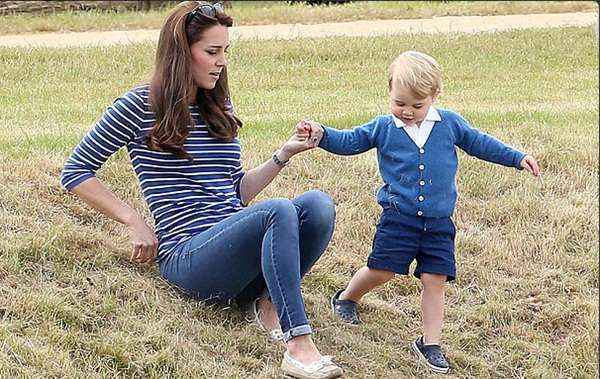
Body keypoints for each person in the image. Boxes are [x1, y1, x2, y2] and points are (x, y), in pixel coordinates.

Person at [60, 2, 343, 378]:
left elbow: (236, 192)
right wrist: (134, 221)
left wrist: (283, 154)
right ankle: (298, 346)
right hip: (187, 256)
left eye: (225, 51)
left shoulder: (218, 105)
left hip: (231, 249)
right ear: (181, 52)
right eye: (212, 52)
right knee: (278, 210)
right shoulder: (139, 105)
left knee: (317, 204)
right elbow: (75, 171)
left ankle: (265, 302)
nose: (221, 61)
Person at [297, 50, 540, 374]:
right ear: (389, 92)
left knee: (434, 278)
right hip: (399, 216)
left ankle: (430, 343)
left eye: (416, 105)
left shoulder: (450, 124)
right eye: (399, 103)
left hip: (439, 222)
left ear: (434, 96)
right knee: (382, 270)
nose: (407, 112)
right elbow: (350, 140)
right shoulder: (384, 127)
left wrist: (516, 157)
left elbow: (481, 143)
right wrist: (322, 134)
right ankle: (347, 297)